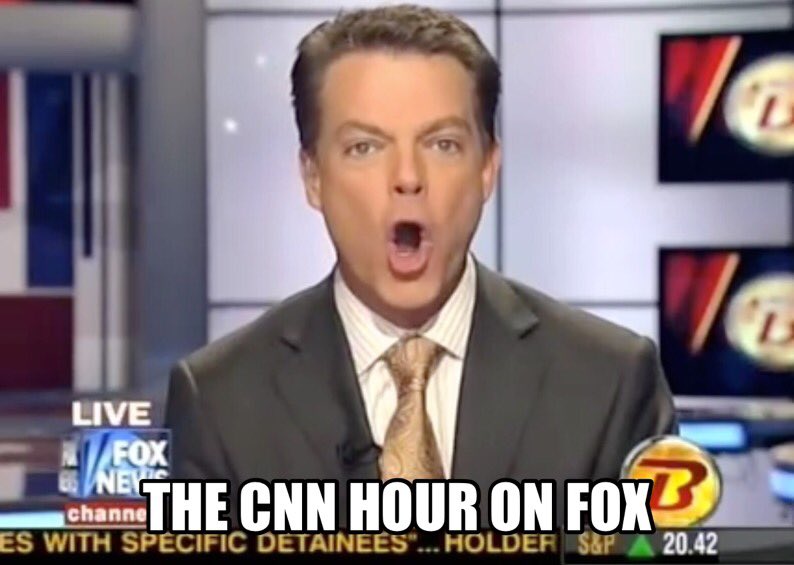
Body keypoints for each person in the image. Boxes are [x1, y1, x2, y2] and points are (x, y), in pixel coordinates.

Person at [165, 4, 677, 525]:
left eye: (442, 144)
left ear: (487, 168)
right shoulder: (220, 400)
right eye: (364, 147)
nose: (408, 176)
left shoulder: (609, 382)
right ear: (313, 176)